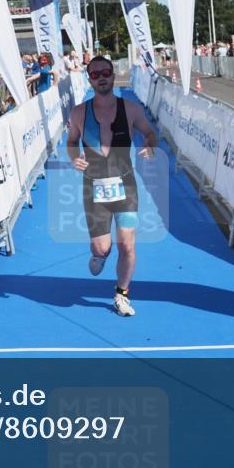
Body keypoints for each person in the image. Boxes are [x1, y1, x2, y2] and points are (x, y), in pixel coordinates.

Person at [66, 56, 158, 317]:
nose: (102, 78)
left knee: (127, 244)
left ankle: (122, 294)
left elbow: (151, 133)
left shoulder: (130, 109)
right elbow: (71, 141)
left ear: (113, 74)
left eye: (105, 72)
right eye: (95, 75)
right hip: (94, 188)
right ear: (90, 80)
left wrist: (150, 146)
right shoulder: (79, 113)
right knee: (102, 247)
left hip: (125, 185)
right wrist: (74, 158)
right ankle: (99, 255)